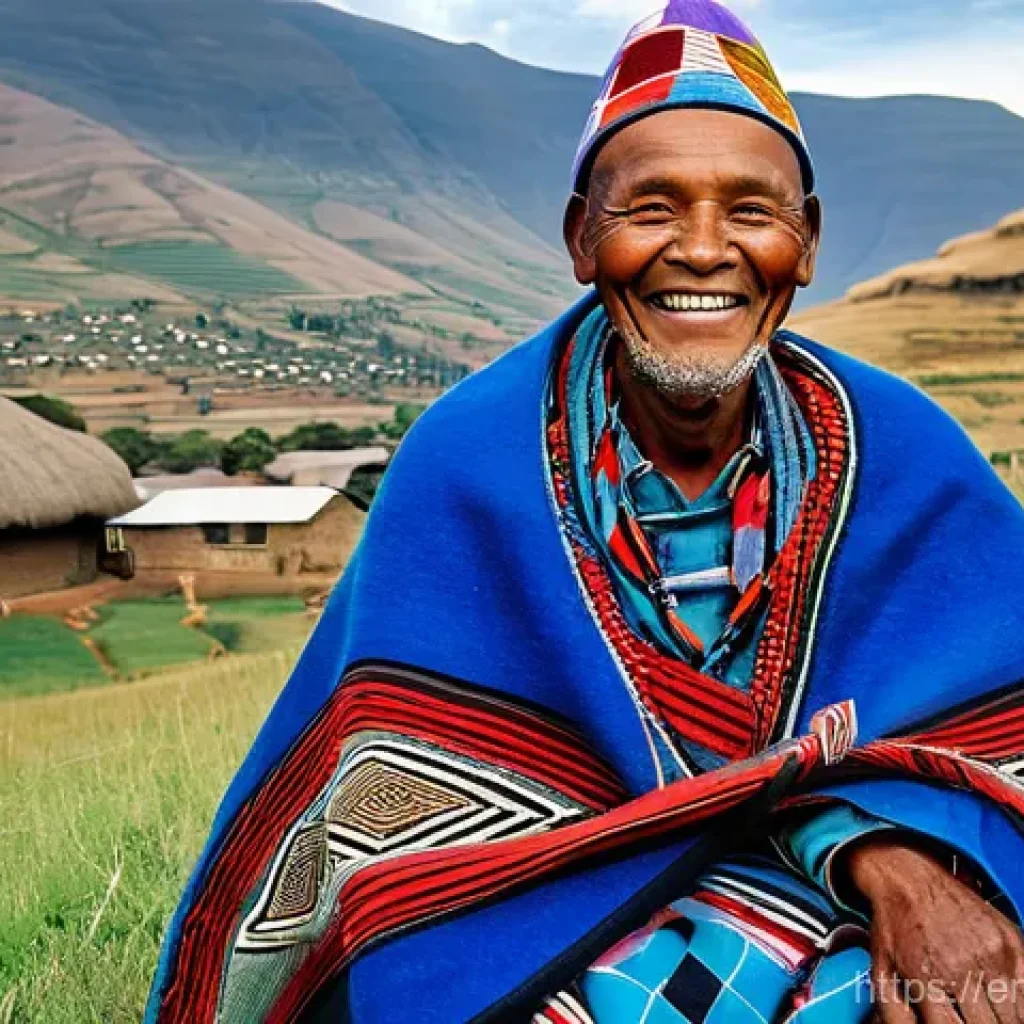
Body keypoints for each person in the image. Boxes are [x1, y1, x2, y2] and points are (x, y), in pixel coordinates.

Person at [146, 3, 1024, 1022]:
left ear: (808, 241)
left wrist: (893, 853)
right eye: (651, 209)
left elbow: (992, 737)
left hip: (831, 899)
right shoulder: (467, 463)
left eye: (751, 211)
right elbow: (401, 811)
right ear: (580, 238)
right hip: (545, 913)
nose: (705, 250)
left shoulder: (900, 449)